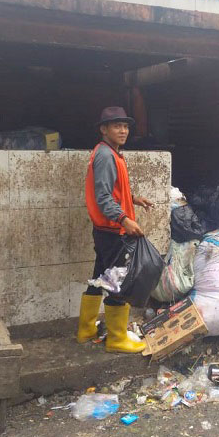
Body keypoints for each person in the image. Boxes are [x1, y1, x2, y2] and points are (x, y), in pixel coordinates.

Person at [77, 106, 154, 353]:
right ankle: (117, 339)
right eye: (117, 126)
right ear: (103, 129)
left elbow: (112, 190)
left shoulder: (110, 153)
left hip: (105, 230)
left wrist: (133, 198)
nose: (123, 130)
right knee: (118, 283)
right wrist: (124, 219)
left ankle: (86, 329)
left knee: (100, 278)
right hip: (112, 231)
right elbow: (102, 196)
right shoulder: (106, 155)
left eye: (126, 126)